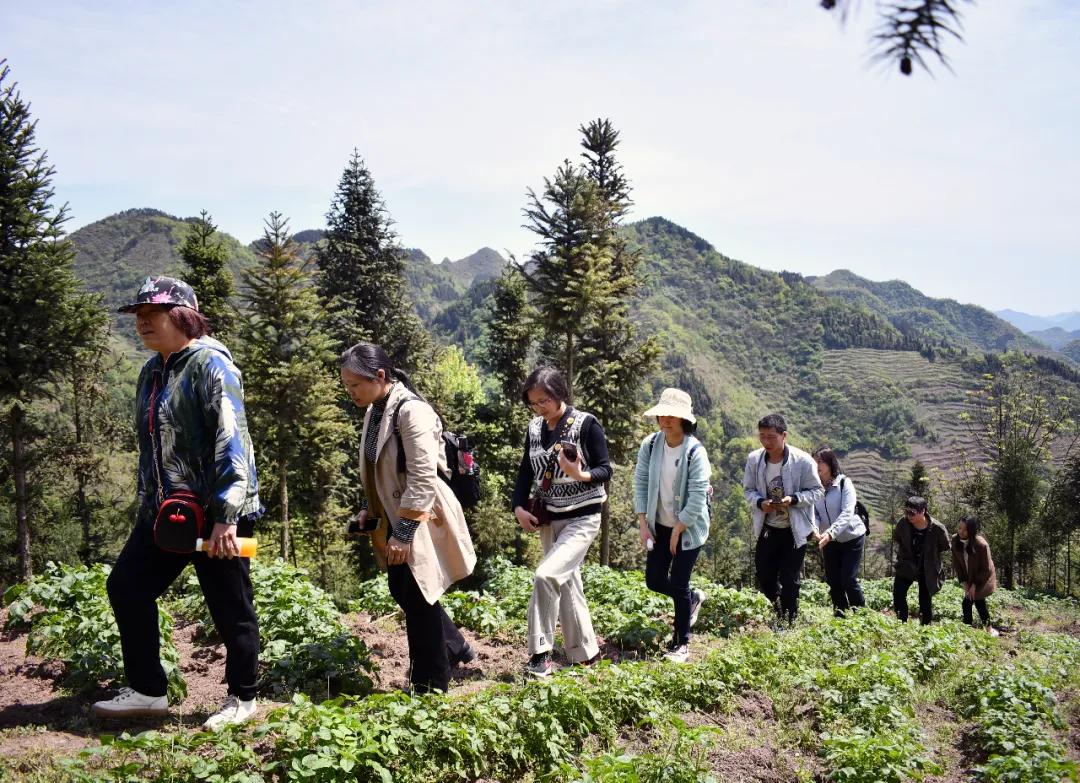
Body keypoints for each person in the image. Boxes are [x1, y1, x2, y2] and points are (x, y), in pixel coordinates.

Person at [93, 276, 262, 729]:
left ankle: (243, 698)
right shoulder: (153, 371)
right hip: (165, 512)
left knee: (229, 605)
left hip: (214, 513)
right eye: (138, 315)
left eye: (154, 313)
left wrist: (227, 515)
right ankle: (148, 691)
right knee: (127, 586)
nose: (143, 322)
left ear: (183, 316)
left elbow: (233, 440)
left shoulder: (212, 365)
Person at [340, 342, 477, 694]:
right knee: (405, 588)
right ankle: (454, 646)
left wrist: (402, 534)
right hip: (395, 514)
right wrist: (369, 511)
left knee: (417, 595)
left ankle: (429, 684)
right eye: (347, 386)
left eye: (355, 385)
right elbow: (377, 470)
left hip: (421, 515)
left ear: (380, 376)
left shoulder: (411, 411)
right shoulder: (376, 409)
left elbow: (422, 478)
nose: (350, 392)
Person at [512, 366, 611, 678]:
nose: (539, 408)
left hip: (583, 518)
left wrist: (580, 474)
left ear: (559, 395)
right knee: (567, 582)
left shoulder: (585, 424)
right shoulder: (533, 429)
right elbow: (525, 471)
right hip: (549, 519)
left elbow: (605, 469)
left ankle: (540, 654)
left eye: (544, 401)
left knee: (545, 576)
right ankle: (585, 653)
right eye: (533, 403)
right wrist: (517, 506)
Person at [633, 388, 711, 663]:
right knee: (654, 580)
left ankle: (682, 643)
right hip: (659, 524)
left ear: (684, 420)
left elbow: (699, 495)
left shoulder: (694, 452)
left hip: (688, 528)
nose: (665, 420)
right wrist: (643, 522)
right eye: (662, 414)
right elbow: (641, 481)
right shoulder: (651, 445)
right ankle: (692, 599)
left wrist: (679, 529)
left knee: (678, 582)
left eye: (672, 416)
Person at [743, 414, 823, 625]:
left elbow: (817, 491)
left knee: (790, 578)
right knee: (764, 573)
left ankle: (790, 620)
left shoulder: (802, 461)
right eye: (762, 437)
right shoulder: (754, 459)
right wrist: (761, 502)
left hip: (794, 529)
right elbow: (748, 491)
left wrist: (794, 499)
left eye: (771, 437)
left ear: (784, 435)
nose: (766, 442)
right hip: (768, 526)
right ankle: (778, 611)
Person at [811, 447, 867, 617]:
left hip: (852, 536)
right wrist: (815, 529)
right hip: (829, 540)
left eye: (820, 461)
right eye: (814, 461)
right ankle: (840, 615)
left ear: (830, 463)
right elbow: (816, 514)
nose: (817, 465)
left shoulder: (844, 483)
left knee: (848, 578)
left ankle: (862, 616)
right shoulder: (815, 488)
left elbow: (847, 512)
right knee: (834, 580)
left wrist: (830, 533)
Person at [892, 496, 950, 625]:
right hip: (907, 563)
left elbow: (944, 545)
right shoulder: (903, 523)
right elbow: (897, 538)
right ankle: (902, 621)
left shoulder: (937, 528)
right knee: (898, 594)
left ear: (923, 511)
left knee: (924, 599)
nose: (909, 516)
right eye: (907, 512)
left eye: (912, 512)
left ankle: (926, 626)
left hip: (927, 567)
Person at [951, 516, 997, 630]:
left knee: (970, 602)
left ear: (971, 531)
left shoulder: (981, 545)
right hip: (969, 576)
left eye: (965, 529)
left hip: (983, 578)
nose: (961, 532)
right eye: (960, 528)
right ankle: (987, 629)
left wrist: (975, 585)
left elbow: (985, 568)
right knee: (978, 602)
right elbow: (957, 563)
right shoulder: (955, 540)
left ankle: (970, 629)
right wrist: (965, 583)